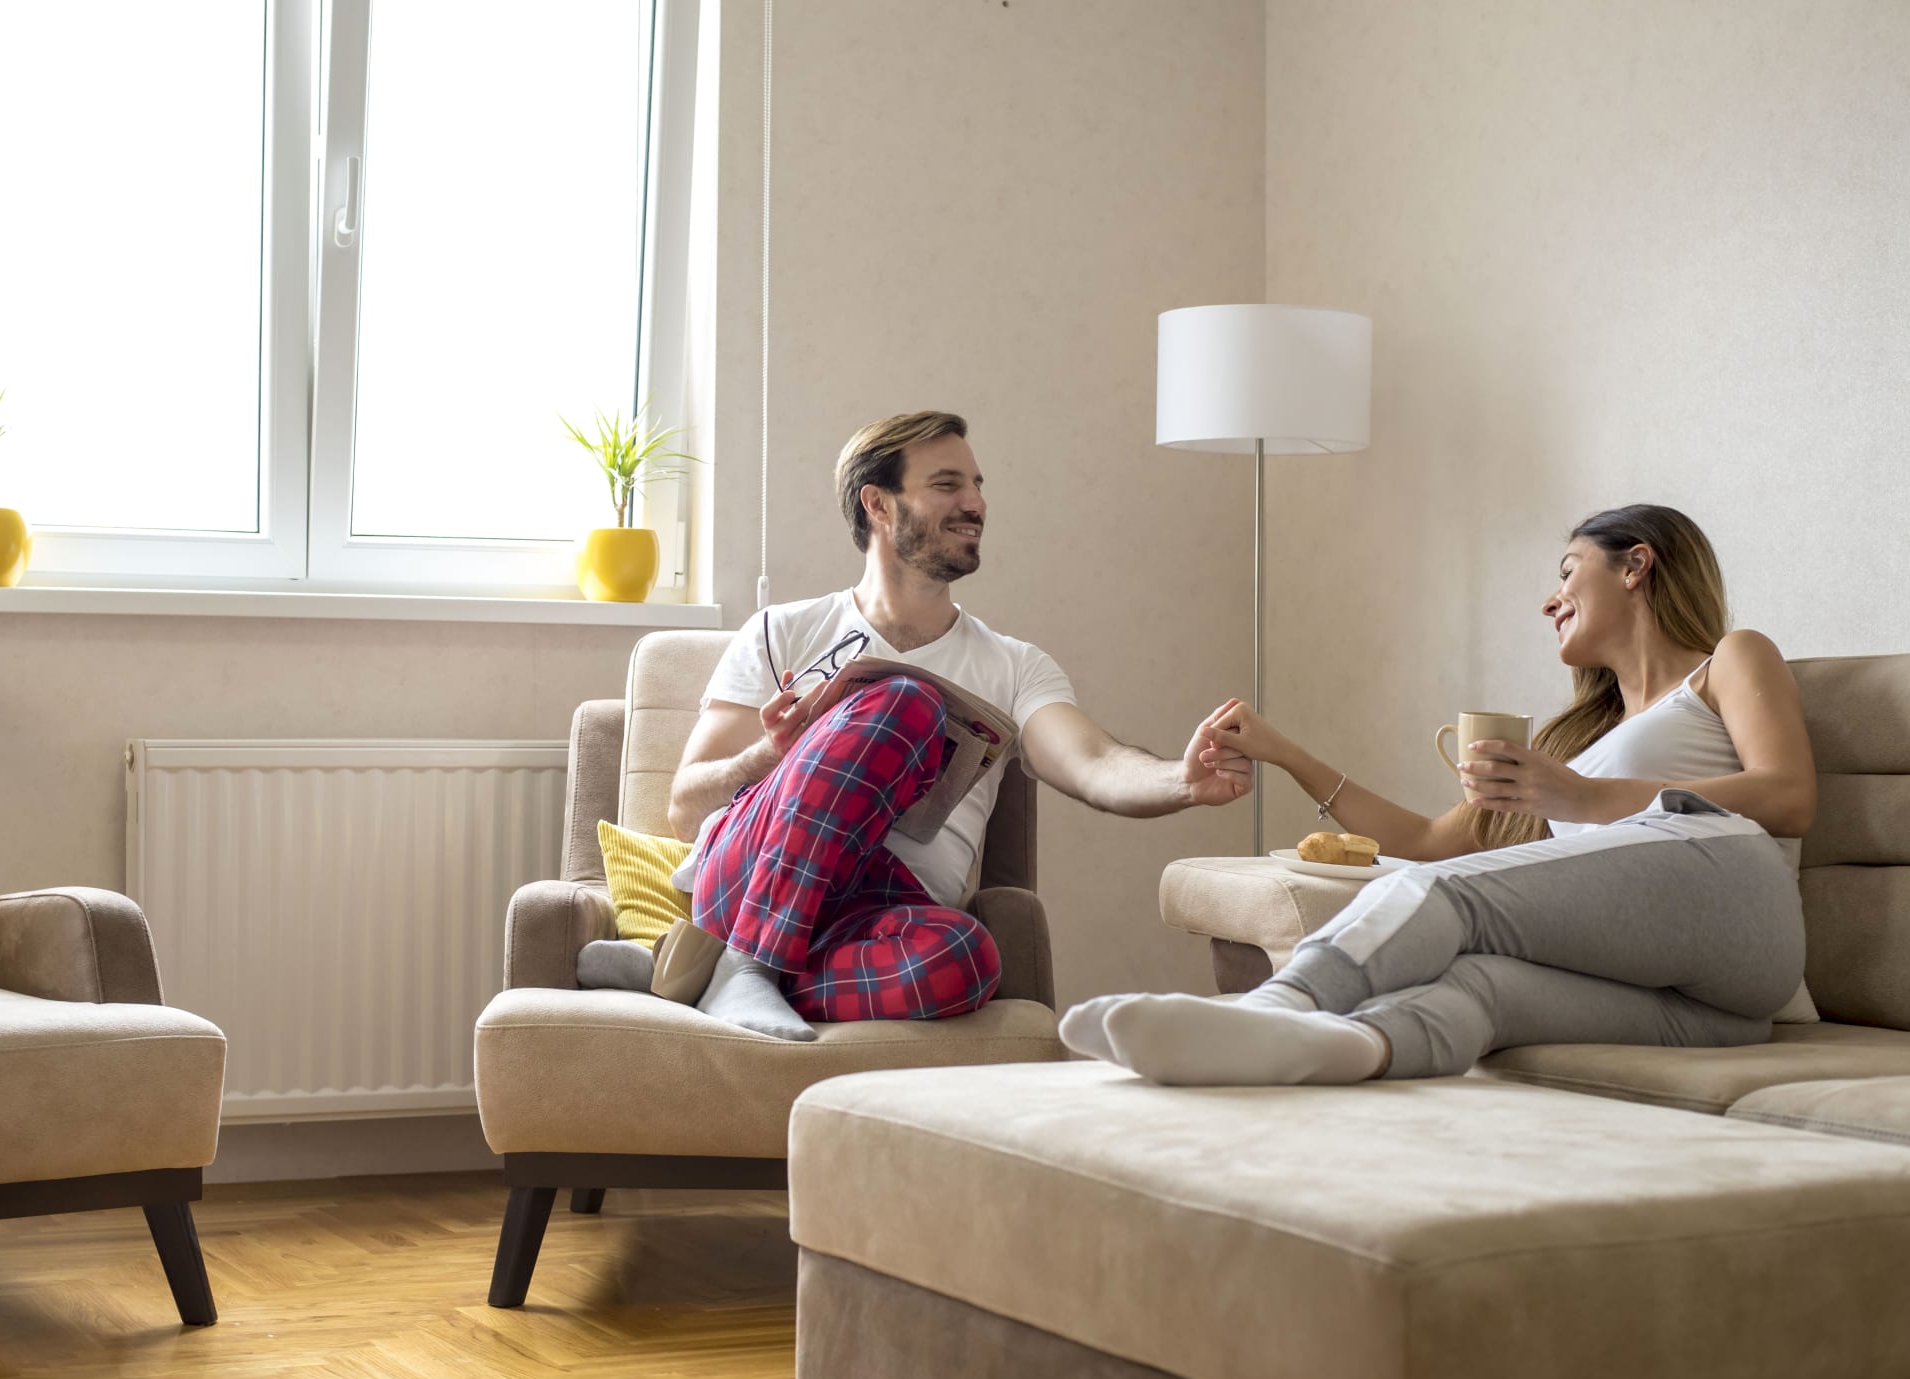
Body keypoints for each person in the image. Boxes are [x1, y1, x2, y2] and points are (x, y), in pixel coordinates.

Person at [1064, 503, 1817, 1086]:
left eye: (1567, 571)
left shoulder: (1727, 662)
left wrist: (1581, 799)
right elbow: (1427, 841)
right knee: (1479, 986)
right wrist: (1286, 754)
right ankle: (1312, 1046)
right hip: (1712, 1010)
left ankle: (1270, 1008)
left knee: (1451, 897)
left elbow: (1788, 796)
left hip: (1740, 914)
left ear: (1636, 565)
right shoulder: (1571, 746)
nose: (1550, 599)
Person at [577, 410, 1254, 1039]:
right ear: (878, 503)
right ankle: (749, 963)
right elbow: (686, 812)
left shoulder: (1014, 665)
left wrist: (1181, 781)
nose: (976, 503)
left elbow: (1095, 763)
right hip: (752, 873)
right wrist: (770, 756)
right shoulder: (782, 633)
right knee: (907, 703)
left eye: (978, 485)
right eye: (947, 484)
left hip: (884, 914)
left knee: (966, 958)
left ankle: (699, 975)